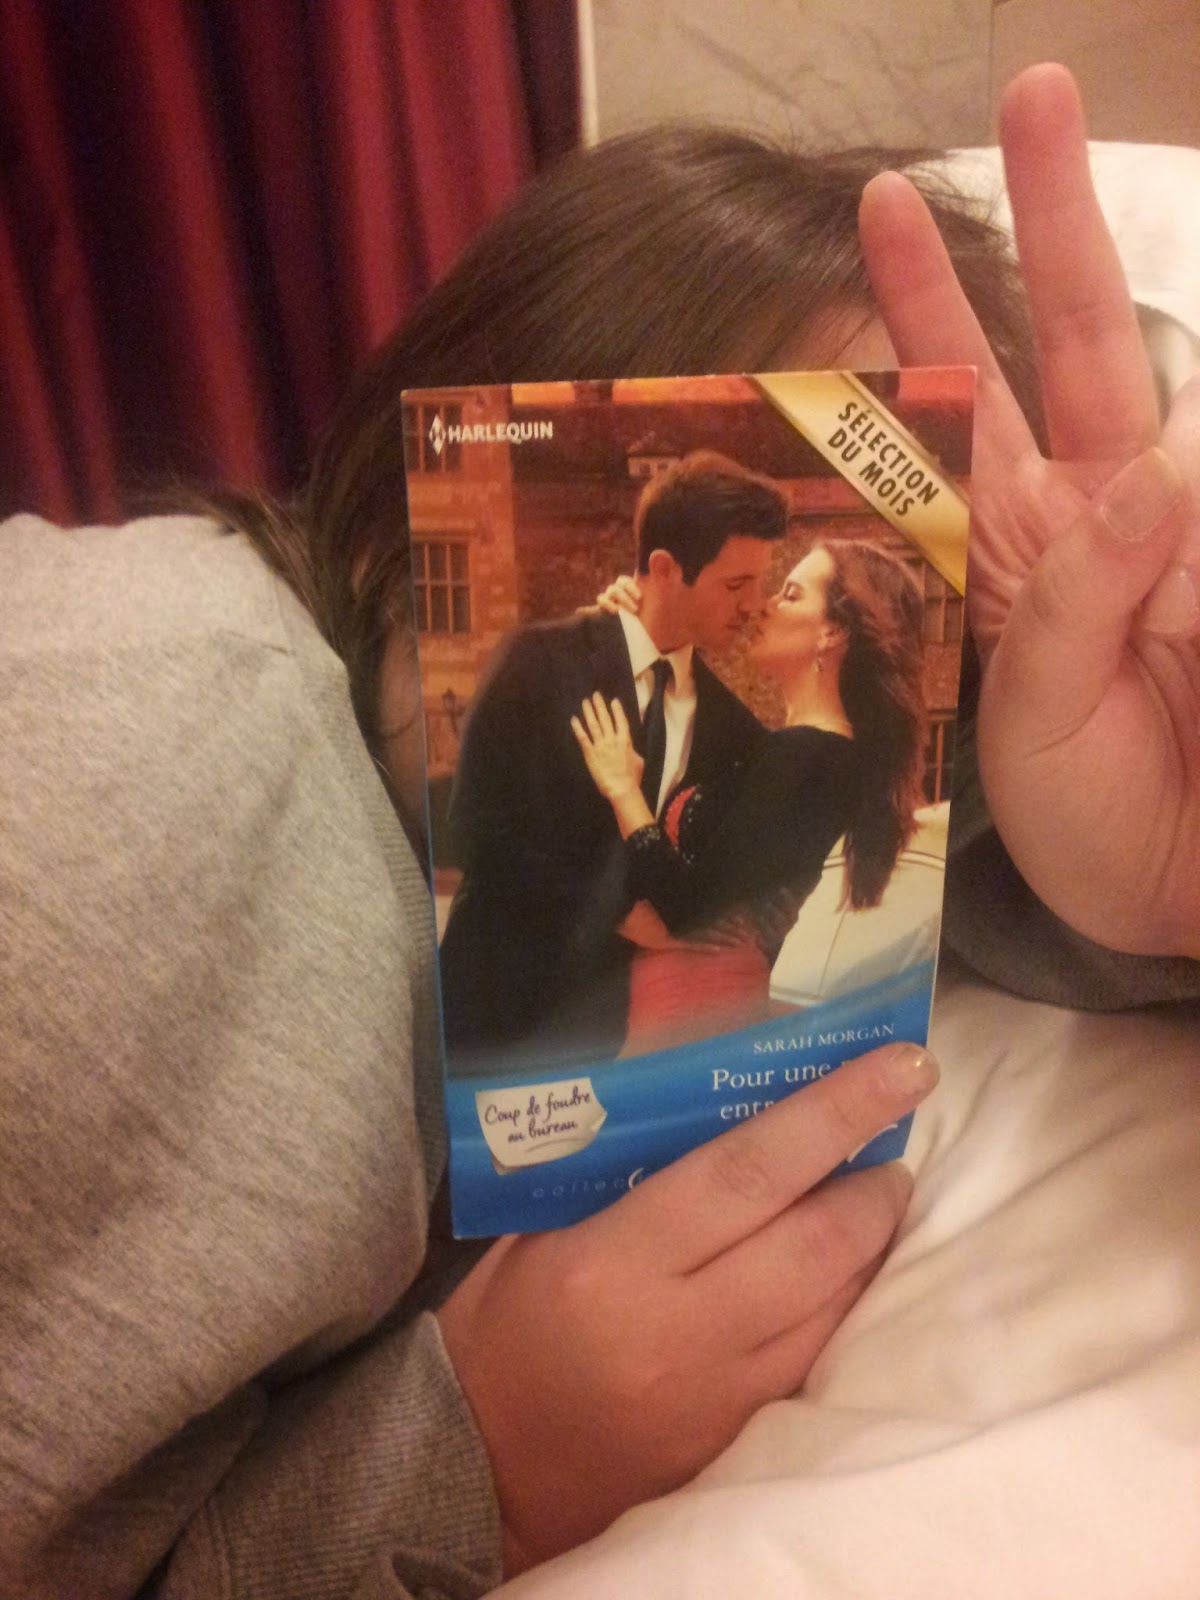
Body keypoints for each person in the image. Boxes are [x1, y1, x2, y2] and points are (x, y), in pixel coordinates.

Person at [2, 58, 1197, 1600]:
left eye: (839, 564)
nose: (759, 609)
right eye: (739, 550)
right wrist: (479, 1469)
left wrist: (1166, 856)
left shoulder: (812, 780)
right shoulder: (166, 759)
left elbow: (904, 870)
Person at [436, 450, 785, 1075]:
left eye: (760, 583)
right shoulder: (538, 660)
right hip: (487, 1016)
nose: (755, 604)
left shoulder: (738, 735)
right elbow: (475, 830)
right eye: (737, 585)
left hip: (606, 1042)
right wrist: (620, 911)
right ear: (665, 568)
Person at [572, 538, 926, 1055]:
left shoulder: (816, 758)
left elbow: (684, 910)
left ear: (832, 632)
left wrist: (623, 789)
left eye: (790, 594)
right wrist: (625, 627)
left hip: (693, 1017)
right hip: (677, 1010)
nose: (763, 606)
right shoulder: (788, 752)